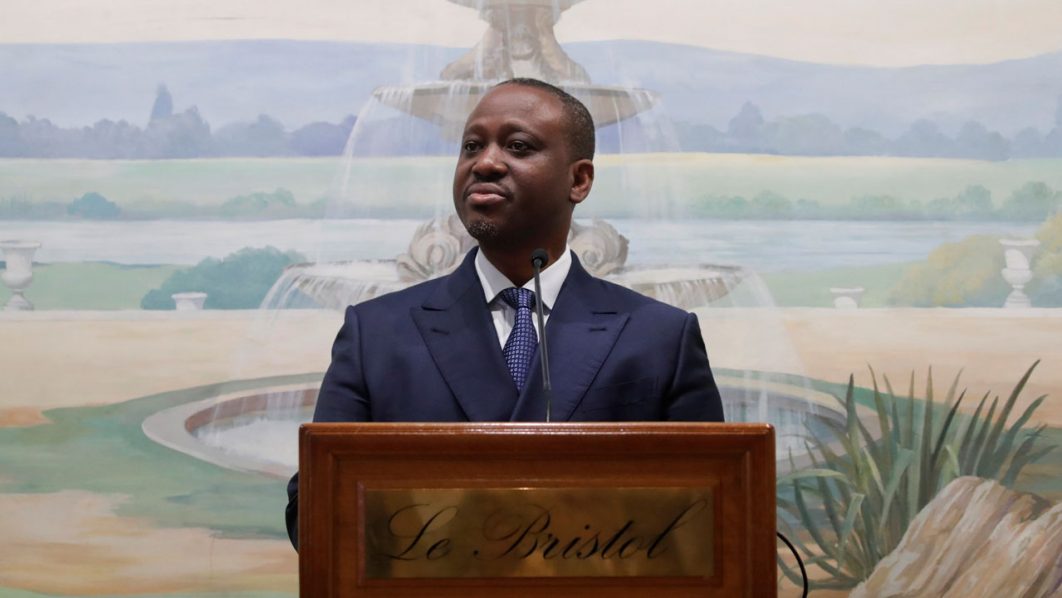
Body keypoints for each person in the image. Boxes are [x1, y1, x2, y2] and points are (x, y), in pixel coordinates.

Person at [285, 78, 724, 548]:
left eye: (517, 146)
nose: (486, 163)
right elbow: (313, 514)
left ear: (579, 180)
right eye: (472, 146)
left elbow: (713, 519)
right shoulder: (376, 334)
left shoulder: (660, 337)